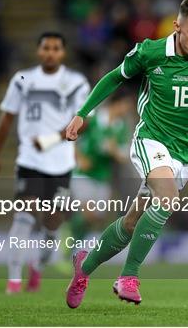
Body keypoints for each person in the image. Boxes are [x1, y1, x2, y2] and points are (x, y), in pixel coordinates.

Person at [64, 0, 188, 308]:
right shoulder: (150, 52)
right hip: (151, 139)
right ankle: (129, 276)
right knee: (167, 197)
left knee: (131, 223)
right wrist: (83, 113)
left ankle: (83, 268)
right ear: (177, 26)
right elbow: (113, 78)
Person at [0, 32, 90, 293]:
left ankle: (38, 266)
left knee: (52, 226)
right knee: (23, 217)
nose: (50, 53)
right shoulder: (22, 80)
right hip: (29, 162)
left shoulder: (76, 82)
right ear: (38, 51)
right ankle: (13, 280)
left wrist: (52, 139)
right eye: (46, 48)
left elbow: (85, 122)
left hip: (62, 165)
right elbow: (7, 118)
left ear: (63, 53)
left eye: (56, 48)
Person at [68, 93, 131, 256]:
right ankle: (68, 245)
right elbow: (70, 134)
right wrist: (79, 157)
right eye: (126, 105)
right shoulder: (93, 118)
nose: (128, 109)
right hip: (84, 173)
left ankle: (72, 245)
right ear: (117, 104)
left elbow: (124, 156)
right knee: (88, 212)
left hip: (103, 177)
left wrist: (114, 150)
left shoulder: (121, 126)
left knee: (95, 218)